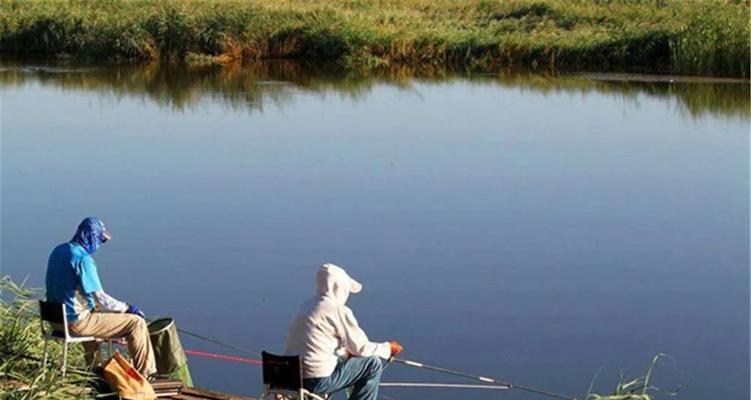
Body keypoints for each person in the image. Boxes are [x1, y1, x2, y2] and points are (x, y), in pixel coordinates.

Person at [45, 217, 157, 378]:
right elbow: (101, 299)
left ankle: (95, 370)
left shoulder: (58, 251)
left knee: (95, 313)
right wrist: (128, 309)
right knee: (136, 323)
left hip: (55, 321)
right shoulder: (83, 260)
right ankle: (146, 375)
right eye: (100, 240)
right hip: (75, 324)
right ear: (92, 237)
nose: (100, 244)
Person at [284, 263, 403, 400]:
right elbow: (361, 348)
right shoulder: (336, 309)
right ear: (339, 288)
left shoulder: (307, 305)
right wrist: (387, 348)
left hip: (289, 377)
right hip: (316, 380)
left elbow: (316, 342)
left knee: (344, 359)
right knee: (372, 364)